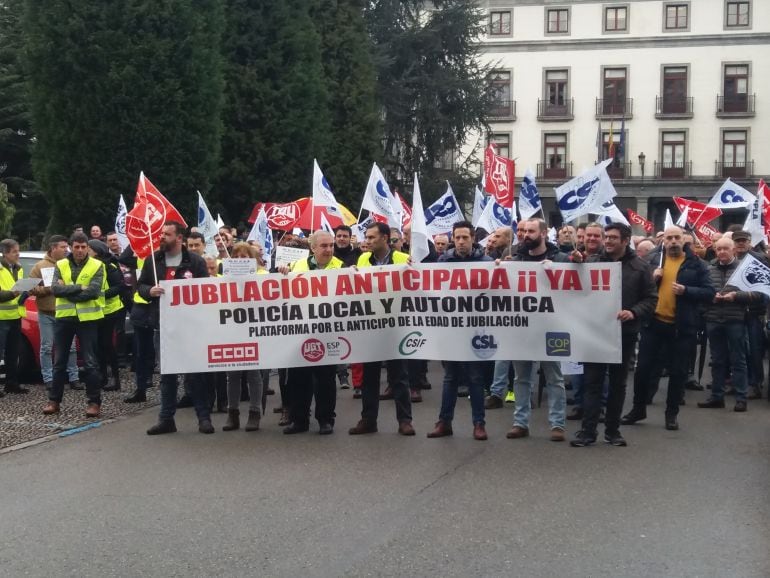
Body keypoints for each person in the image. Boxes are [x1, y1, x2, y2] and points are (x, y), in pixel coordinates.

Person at [570, 223, 657, 447]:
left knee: (618, 384)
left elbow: (650, 299)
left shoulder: (640, 267)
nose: (607, 241)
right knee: (592, 383)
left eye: (613, 238)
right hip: (595, 332)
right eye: (606, 237)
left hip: (624, 334)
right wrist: (575, 264)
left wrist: (633, 312)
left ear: (625, 240)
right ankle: (587, 432)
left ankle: (613, 431)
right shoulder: (592, 262)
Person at [622, 226, 715, 431]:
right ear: (663, 241)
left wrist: (687, 290)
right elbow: (637, 289)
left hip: (682, 327)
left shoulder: (697, 264)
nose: (673, 241)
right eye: (669, 238)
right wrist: (652, 278)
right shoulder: (653, 262)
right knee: (643, 369)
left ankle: (671, 414)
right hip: (653, 323)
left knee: (678, 372)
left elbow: (709, 292)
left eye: (676, 238)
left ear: (684, 240)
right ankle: (638, 409)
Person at [142, 222, 213, 435]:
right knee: (167, 375)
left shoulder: (196, 262)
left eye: (167, 234)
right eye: (162, 234)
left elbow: (206, 290)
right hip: (163, 327)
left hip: (190, 327)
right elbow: (141, 285)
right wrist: (149, 291)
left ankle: (204, 418)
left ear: (179, 238)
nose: (162, 237)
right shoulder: (153, 261)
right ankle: (166, 419)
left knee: (195, 375)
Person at [427, 221, 492, 440]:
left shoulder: (486, 262)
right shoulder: (444, 260)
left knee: (475, 377)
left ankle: (479, 424)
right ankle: (444, 422)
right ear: (453, 239)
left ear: (473, 238)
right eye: (458, 238)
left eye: (465, 237)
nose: (461, 242)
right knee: (450, 377)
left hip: (475, 329)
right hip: (451, 328)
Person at [506, 218, 569, 442]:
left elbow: (579, 285)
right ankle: (520, 423)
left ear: (543, 233)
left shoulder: (560, 259)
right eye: (523, 231)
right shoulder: (515, 261)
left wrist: (566, 267)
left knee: (554, 378)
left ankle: (557, 424)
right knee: (521, 379)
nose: (525, 235)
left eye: (531, 231)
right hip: (522, 330)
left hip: (552, 329)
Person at [348, 222, 414, 436]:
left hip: (396, 325)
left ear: (385, 238)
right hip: (370, 325)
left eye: (371, 237)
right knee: (369, 376)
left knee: (399, 375)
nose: (366, 241)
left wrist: (416, 268)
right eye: (366, 237)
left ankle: (404, 420)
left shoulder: (404, 260)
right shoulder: (362, 260)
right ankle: (368, 419)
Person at [278, 231, 343, 435]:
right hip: (302, 330)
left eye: (331, 245)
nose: (329, 249)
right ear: (312, 248)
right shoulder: (298, 266)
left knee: (325, 378)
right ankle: (299, 420)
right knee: (299, 378)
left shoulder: (341, 266)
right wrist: (281, 274)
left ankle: (325, 419)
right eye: (324, 246)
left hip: (328, 330)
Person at [697, 237, 763, 412]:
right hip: (713, 319)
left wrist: (736, 296)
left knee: (738, 360)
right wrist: (710, 298)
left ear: (734, 250)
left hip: (736, 320)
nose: (722, 252)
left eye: (726, 248)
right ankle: (717, 396)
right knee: (717, 360)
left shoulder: (746, 269)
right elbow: (701, 293)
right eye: (719, 249)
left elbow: (758, 294)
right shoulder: (708, 269)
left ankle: (741, 398)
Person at [44, 232, 105, 416]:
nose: (79, 250)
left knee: (90, 362)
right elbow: (55, 289)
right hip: (65, 318)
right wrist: (79, 287)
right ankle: (54, 401)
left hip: (88, 320)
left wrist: (67, 290)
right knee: (59, 361)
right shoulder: (61, 264)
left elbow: (93, 292)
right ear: (71, 247)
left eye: (83, 247)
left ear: (87, 247)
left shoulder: (97, 265)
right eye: (76, 247)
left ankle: (94, 403)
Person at [222, 242, 268, 432]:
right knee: (232, 372)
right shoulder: (225, 277)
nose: (240, 260)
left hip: (254, 328)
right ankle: (232, 413)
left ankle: (254, 412)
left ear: (253, 259)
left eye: (245, 257)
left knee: (253, 372)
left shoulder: (263, 276)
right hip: (232, 328)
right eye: (237, 257)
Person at [29, 236, 81, 392]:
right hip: (46, 313)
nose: (67, 250)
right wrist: (49, 288)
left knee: (70, 347)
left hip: (65, 311)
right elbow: (31, 289)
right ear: (53, 248)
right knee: (46, 347)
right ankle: (49, 379)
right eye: (63, 247)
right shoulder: (40, 266)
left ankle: (74, 378)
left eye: (67, 247)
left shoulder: (70, 265)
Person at [731, 230, 769, 399]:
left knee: (754, 349)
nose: (740, 243)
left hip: (754, 311)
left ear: (749, 242)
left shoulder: (759, 259)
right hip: (734, 311)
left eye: (743, 241)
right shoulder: (730, 259)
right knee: (737, 350)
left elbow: (764, 287)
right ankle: (739, 382)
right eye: (738, 241)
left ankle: (756, 383)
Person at [88, 239, 124, 391]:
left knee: (107, 346)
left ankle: (115, 379)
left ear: (96, 251)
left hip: (110, 310)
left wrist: (99, 294)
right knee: (99, 346)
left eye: (89, 249)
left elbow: (118, 287)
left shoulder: (109, 265)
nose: (86, 251)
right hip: (98, 311)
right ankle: (102, 377)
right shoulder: (92, 265)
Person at [0, 238, 28, 396]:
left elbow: (19, 291)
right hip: (1, 317)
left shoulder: (19, 268)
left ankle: (12, 383)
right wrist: (13, 293)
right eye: (14, 252)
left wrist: (26, 292)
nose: (18, 254)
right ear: (5, 253)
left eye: (18, 251)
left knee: (13, 352)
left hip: (15, 316)